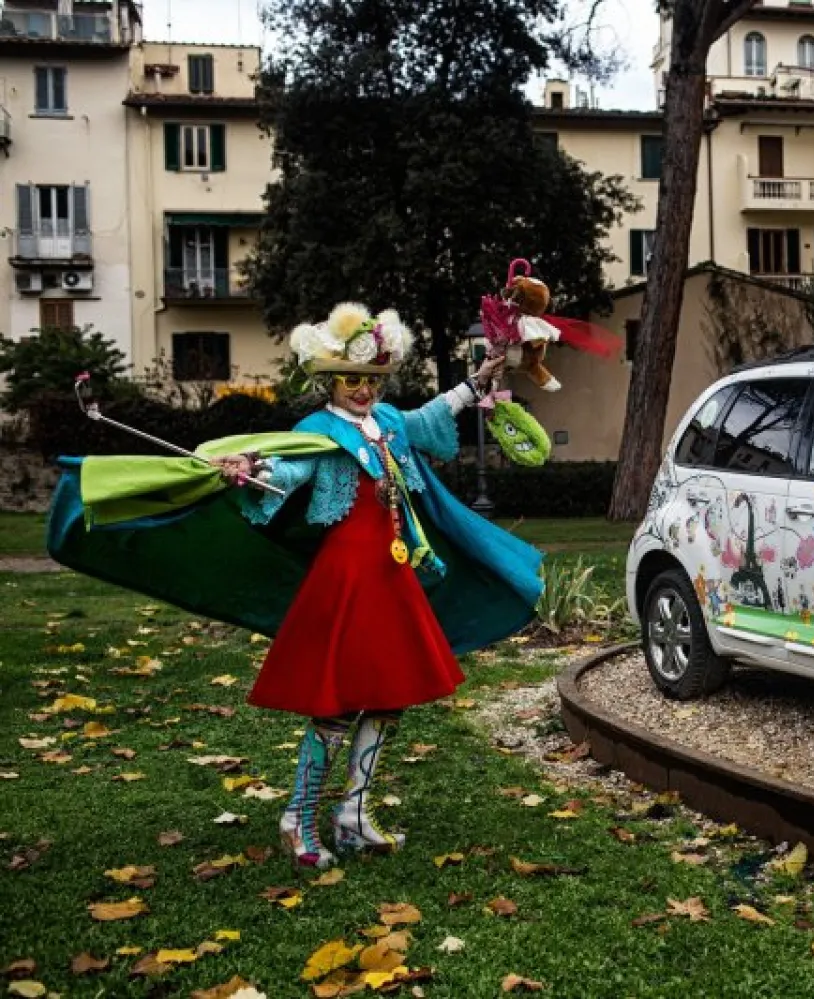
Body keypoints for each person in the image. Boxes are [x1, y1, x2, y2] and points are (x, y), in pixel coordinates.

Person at [47, 301, 543, 870]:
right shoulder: (317, 429)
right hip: (349, 577)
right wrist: (253, 469)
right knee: (337, 706)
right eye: (352, 380)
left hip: (392, 572)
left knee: (390, 700)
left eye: (372, 380)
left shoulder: (387, 424)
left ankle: (353, 817)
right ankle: (298, 819)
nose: (362, 390)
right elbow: (290, 468)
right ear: (329, 381)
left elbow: (433, 415)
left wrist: (481, 377)